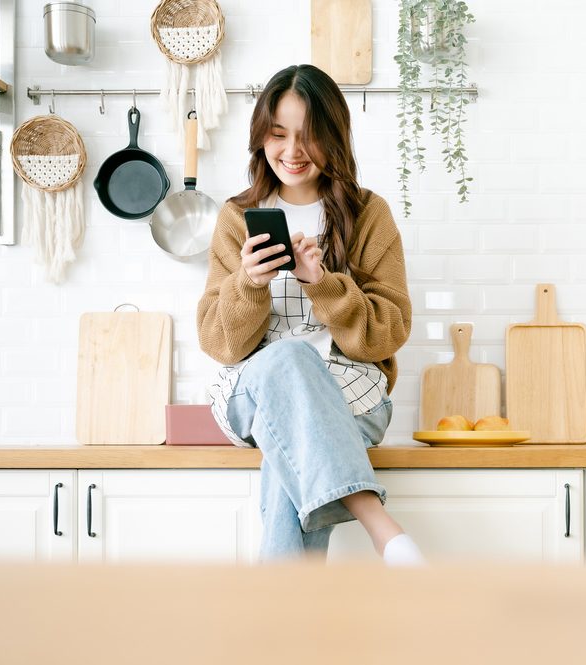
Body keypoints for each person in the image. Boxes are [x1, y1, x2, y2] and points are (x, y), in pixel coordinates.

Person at [196, 64, 424, 565]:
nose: (292, 152)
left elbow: (388, 333)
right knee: (289, 359)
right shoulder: (238, 218)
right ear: (261, 137)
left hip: (349, 395)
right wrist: (249, 284)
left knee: (286, 459)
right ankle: (379, 525)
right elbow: (219, 342)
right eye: (278, 135)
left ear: (334, 138)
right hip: (250, 395)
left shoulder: (368, 215)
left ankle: (284, 632)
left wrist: (323, 285)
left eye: (309, 136)